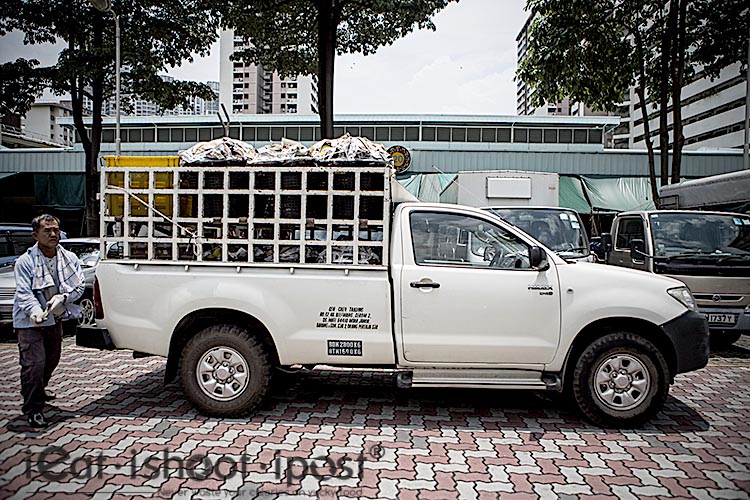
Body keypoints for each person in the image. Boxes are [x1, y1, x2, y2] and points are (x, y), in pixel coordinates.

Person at [13, 214, 85, 428]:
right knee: (34, 364)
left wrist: (64, 297)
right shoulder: (25, 262)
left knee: (51, 359)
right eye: (47, 230)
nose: (53, 234)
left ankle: (36, 389)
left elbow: (79, 286)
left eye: (56, 230)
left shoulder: (69, 258)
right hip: (30, 321)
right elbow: (24, 293)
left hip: (55, 317)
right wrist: (35, 311)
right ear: (36, 235)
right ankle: (33, 408)